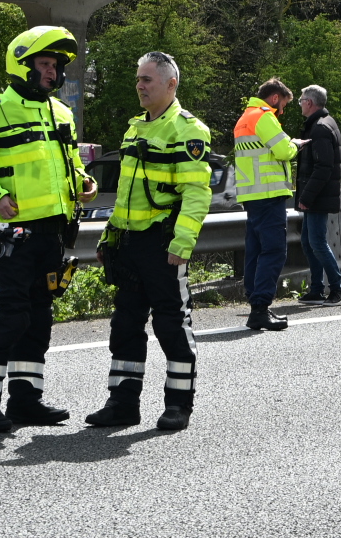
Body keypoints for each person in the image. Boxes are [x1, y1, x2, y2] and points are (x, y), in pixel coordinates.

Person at [0, 25, 97, 432]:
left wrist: (82, 181)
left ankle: (26, 402)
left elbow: (67, 165)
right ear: (22, 65)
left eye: (57, 66)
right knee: (9, 317)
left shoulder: (60, 112)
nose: (53, 72)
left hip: (52, 236)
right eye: (45, 64)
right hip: (9, 238)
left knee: (38, 319)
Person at [85, 51, 210, 432]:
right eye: (138, 79)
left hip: (163, 244)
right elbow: (126, 193)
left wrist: (182, 242)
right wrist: (110, 236)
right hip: (129, 244)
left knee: (171, 325)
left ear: (171, 84)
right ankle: (123, 404)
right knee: (125, 324)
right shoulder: (134, 128)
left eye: (147, 80)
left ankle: (178, 404)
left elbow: (196, 193)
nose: (140, 85)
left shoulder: (187, 129)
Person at [234, 78, 299, 331]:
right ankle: (260, 308)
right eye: (282, 105)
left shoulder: (244, 118)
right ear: (274, 98)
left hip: (252, 195)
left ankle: (256, 304)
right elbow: (284, 151)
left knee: (256, 251)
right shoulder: (264, 117)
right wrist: (295, 145)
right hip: (269, 194)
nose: (281, 111)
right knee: (273, 251)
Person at [294, 84, 341, 306]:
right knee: (308, 241)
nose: (299, 104)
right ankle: (316, 289)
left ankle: (337, 287)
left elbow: (323, 168)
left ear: (309, 103)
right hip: (317, 195)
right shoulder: (320, 124)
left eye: (301, 100)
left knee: (316, 242)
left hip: (317, 196)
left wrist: (306, 197)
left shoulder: (320, 129)